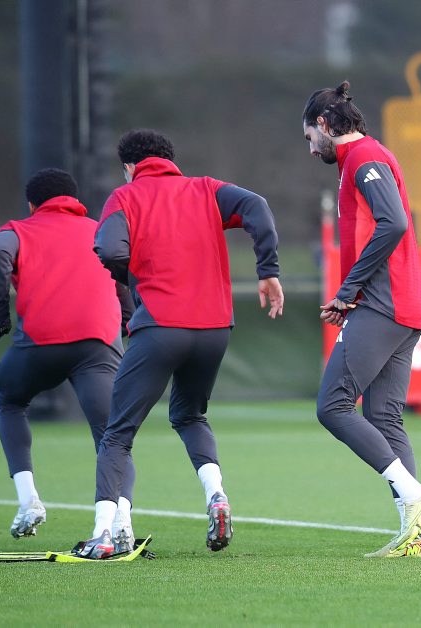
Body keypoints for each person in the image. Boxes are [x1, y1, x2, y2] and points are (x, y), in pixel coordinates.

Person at [76, 129, 285, 558]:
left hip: (160, 327)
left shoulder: (124, 197)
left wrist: (135, 278)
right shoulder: (207, 190)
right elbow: (257, 206)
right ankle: (216, 496)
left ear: (130, 166)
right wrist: (267, 270)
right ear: (169, 159)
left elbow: (109, 250)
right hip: (214, 328)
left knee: (118, 433)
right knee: (190, 415)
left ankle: (102, 534)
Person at [302, 81, 421, 558]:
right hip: (400, 306)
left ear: (324, 124)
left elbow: (394, 222)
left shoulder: (364, 158)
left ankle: (415, 495)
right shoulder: (359, 160)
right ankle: (415, 537)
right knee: (383, 418)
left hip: (384, 305)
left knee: (332, 407)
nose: (310, 149)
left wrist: (349, 291)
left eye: (309, 137)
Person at [0, 168, 137, 547]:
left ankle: (28, 501)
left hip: (39, 342)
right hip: (98, 344)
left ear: (32, 204)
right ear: (75, 199)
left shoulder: (19, 231)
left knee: (10, 401)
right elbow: (121, 273)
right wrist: (129, 320)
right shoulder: (99, 229)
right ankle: (121, 520)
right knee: (113, 435)